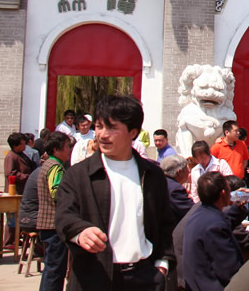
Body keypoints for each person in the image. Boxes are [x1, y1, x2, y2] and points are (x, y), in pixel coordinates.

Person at [55, 95, 175, 291]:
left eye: (112, 128)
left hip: (143, 277)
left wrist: (162, 264)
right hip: (93, 276)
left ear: (133, 133)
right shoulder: (78, 175)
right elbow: (64, 215)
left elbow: (165, 222)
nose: (102, 135)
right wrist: (79, 232)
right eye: (99, 126)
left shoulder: (152, 176)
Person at [183, 171, 244, 291]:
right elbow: (228, 269)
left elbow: (221, 219)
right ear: (223, 193)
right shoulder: (214, 226)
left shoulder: (198, 215)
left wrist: (238, 207)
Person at [36, 131, 73, 291]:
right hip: (53, 226)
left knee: (51, 268)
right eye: (67, 147)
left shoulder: (48, 164)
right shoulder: (55, 167)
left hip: (47, 225)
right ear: (57, 149)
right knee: (55, 270)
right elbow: (57, 193)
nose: (69, 150)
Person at [161, 155, 195, 226]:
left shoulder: (161, 181)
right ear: (179, 172)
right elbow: (192, 211)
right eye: (187, 168)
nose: (189, 171)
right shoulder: (175, 189)